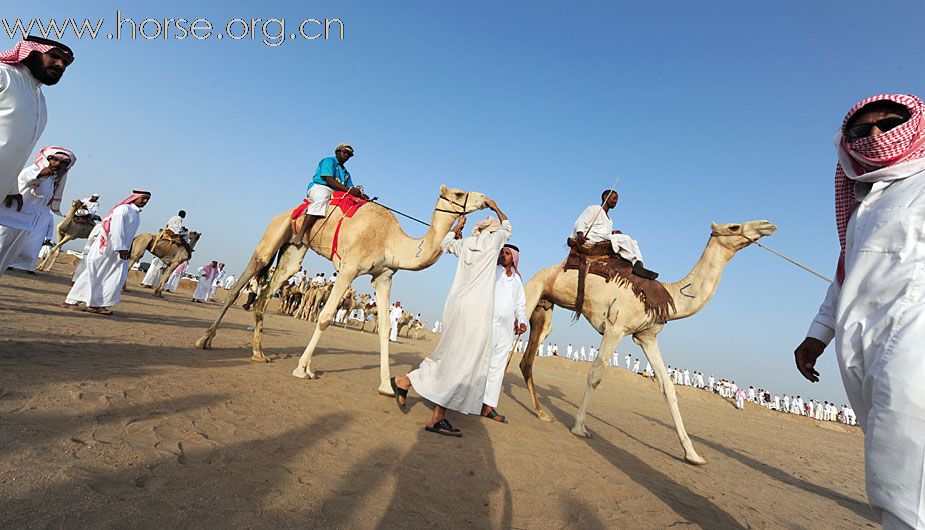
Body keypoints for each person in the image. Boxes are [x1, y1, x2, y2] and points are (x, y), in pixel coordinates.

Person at [792, 94, 925, 529]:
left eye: (889, 123)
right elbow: (848, 272)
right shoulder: (861, 202)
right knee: (889, 464)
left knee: (901, 480)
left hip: (913, 340)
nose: (875, 135)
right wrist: (818, 333)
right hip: (861, 346)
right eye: (860, 130)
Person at [390, 200, 511, 436]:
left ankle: (406, 381)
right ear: (493, 231)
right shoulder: (494, 241)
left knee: (449, 355)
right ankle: (436, 416)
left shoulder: (466, 244)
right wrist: (495, 207)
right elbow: (508, 225)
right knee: (463, 361)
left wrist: (458, 226)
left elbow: (446, 243)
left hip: (456, 306)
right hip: (476, 311)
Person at [0, 37, 73, 219]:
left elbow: (15, 150)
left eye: (66, 62)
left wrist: (11, 188)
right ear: (32, 52)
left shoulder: (40, 101)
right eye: (54, 56)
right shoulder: (4, 75)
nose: (61, 65)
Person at [63, 190, 150, 314]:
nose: (145, 201)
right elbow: (116, 229)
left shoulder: (136, 214)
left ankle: (94, 303)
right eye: (143, 198)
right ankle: (80, 302)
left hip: (119, 250)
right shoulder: (123, 209)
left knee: (111, 276)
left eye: (147, 199)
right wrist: (120, 247)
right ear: (135, 198)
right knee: (96, 274)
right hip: (108, 248)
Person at [0, 147, 75, 275]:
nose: (58, 164)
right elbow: (29, 178)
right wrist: (42, 174)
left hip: (26, 222)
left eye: (63, 162)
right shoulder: (33, 170)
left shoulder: (52, 182)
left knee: (10, 252)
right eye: (55, 160)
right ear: (47, 159)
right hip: (11, 218)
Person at [481, 243, 527, 423]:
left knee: (497, 369)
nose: (504, 255)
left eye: (507, 253)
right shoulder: (493, 272)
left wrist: (522, 321)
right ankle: (469, 400)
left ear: (513, 258)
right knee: (480, 363)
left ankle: (488, 407)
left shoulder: (517, 280)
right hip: (488, 324)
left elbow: (520, 305)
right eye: (502, 252)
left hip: (506, 330)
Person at [572, 189, 657, 279]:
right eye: (614, 198)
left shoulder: (610, 220)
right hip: (590, 238)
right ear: (606, 197)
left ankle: (637, 264)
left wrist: (612, 233)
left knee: (631, 242)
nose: (616, 201)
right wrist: (580, 234)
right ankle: (637, 265)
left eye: (617, 199)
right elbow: (582, 221)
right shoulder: (595, 208)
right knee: (625, 238)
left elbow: (603, 232)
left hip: (601, 238)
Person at [292, 143, 368, 244]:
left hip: (336, 192)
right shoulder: (328, 161)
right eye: (345, 152)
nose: (347, 156)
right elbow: (329, 180)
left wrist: (360, 195)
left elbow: (350, 188)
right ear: (337, 152)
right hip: (321, 187)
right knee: (322, 200)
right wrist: (349, 190)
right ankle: (300, 235)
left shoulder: (346, 173)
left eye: (349, 155)